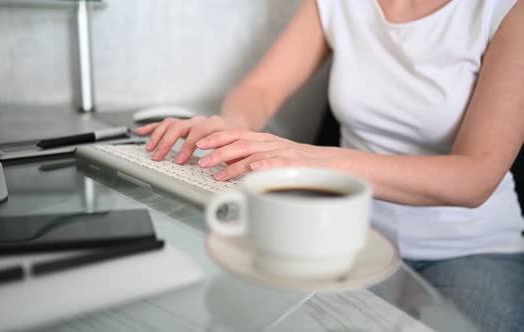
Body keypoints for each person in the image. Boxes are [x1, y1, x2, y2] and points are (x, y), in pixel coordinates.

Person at [136, 0, 524, 330]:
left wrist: (314, 160)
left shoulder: (505, 10)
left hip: (472, 250)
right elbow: (261, 90)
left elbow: (475, 177)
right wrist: (230, 130)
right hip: (348, 238)